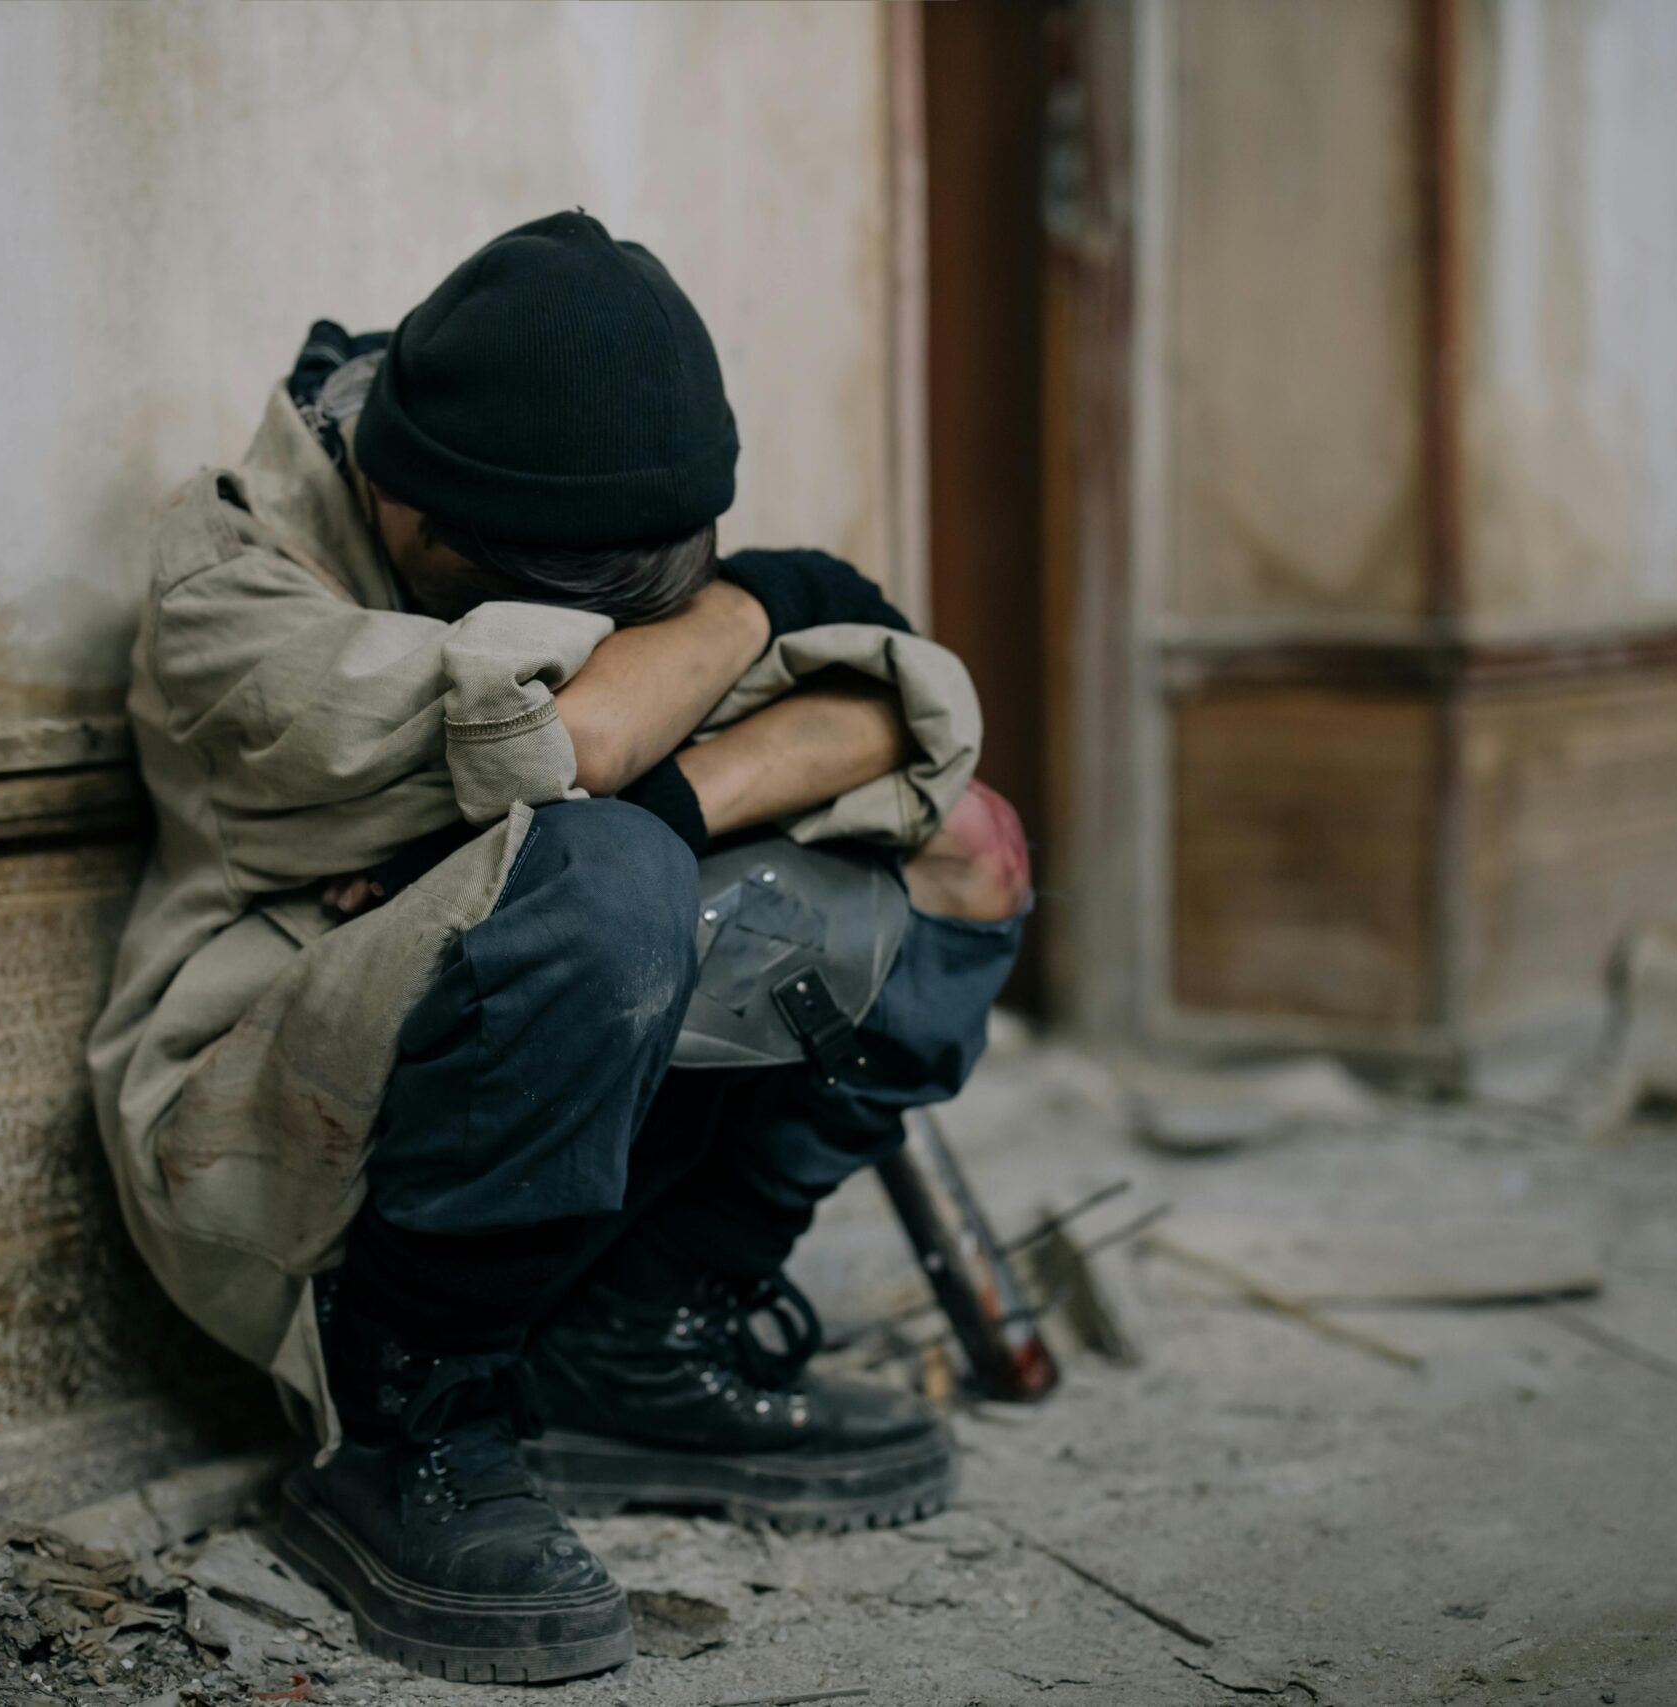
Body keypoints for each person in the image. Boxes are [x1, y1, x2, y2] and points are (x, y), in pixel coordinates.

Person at [86, 211, 1030, 1684]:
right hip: (278, 1140)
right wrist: (738, 633)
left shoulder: (554, 477)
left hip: (518, 1019)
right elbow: (571, 734)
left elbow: (891, 702)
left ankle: (638, 1345)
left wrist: (742, 629)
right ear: (420, 530)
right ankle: (408, 1427)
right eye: (595, 606)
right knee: (602, 880)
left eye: (667, 585)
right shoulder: (241, 591)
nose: (645, 620)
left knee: (964, 849)